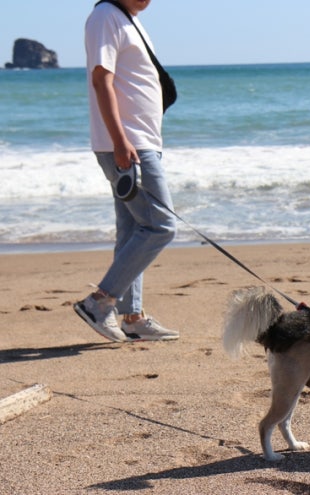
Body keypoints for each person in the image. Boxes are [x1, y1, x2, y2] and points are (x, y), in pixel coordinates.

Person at [74, 0, 178, 342]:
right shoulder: (105, 16)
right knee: (161, 225)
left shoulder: (127, 19)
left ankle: (132, 316)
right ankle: (100, 302)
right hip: (129, 145)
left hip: (141, 142)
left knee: (134, 229)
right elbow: (101, 80)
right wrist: (120, 141)